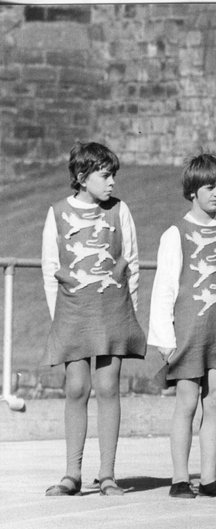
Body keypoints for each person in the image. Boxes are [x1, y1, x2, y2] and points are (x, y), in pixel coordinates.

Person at [42, 141, 146, 497]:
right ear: (82, 177)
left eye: (113, 175)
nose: (112, 182)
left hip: (112, 311)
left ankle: (107, 474)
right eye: (105, 175)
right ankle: (72, 473)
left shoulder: (120, 211)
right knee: (76, 388)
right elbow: (50, 269)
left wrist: (129, 312)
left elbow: (130, 262)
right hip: (73, 314)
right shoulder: (57, 213)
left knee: (107, 387)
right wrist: (60, 319)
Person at [148, 153, 216, 499]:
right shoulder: (175, 234)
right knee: (187, 402)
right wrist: (165, 340)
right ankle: (180, 478)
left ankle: (208, 479)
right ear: (193, 190)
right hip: (189, 333)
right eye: (209, 186)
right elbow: (164, 289)